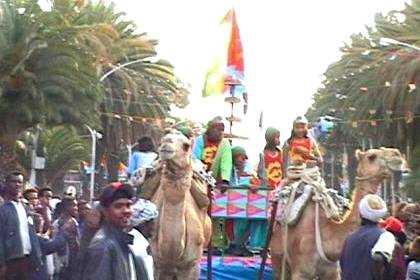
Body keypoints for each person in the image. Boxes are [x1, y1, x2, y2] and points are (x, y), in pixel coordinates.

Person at [79, 182, 149, 280]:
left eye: (128, 205)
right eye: (118, 206)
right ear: (105, 211)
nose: (126, 211)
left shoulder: (129, 239)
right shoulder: (102, 246)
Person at [192, 116, 233, 252]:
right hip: (199, 180)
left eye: (222, 129)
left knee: (217, 215)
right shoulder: (200, 140)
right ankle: (200, 243)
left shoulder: (225, 144)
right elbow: (195, 159)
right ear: (210, 128)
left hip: (217, 183)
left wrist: (225, 180)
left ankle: (215, 244)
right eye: (217, 128)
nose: (220, 132)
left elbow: (226, 162)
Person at [340, 194, 396, 280]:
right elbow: (378, 259)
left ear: (360, 214)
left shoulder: (349, 238)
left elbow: (342, 266)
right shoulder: (386, 236)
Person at [0, 172, 43, 280]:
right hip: (11, 260)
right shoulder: (3, 208)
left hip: (27, 260)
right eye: (13, 181)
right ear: (6, 183)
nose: (17, 184)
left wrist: (37, 257)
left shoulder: (25, 208)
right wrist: (2, 264)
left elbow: (32, 235)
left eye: (20, 182)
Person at [52, 197, 79, 280]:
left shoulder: (74, 221)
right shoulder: (58, 224)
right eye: (73, 205)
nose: (76, 208)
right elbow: (55, 245)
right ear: (66, 207)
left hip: (74, 261)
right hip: (63, 264)